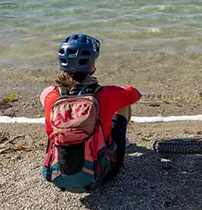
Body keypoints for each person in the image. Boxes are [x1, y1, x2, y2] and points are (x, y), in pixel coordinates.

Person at [40, 33, 140, 191]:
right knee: (124, 105)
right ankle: (121, 144)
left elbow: (44, 99)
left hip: (56, 174)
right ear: (92, 64)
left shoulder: (51, 96)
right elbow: (134, 95)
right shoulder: (105, 94)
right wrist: (119, 92)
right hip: (100, 174)